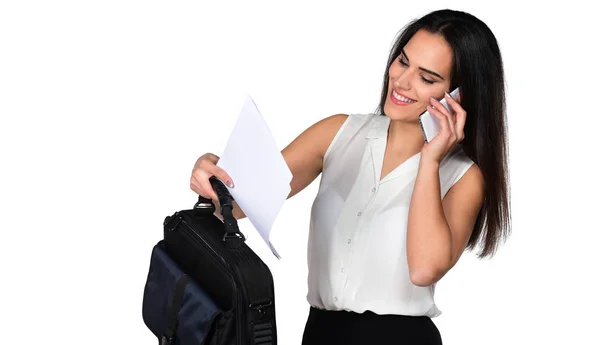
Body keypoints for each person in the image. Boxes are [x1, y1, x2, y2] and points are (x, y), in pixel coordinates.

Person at [190, 8, 511, 345]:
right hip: (320, 333)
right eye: (403, 62)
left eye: (427, 78)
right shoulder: (338, 132)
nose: (401, 82)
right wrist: (210, 168)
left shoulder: (463, 176)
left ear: (459, 97)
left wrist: (430, 160)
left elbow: (423, 270)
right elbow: (239, 204)